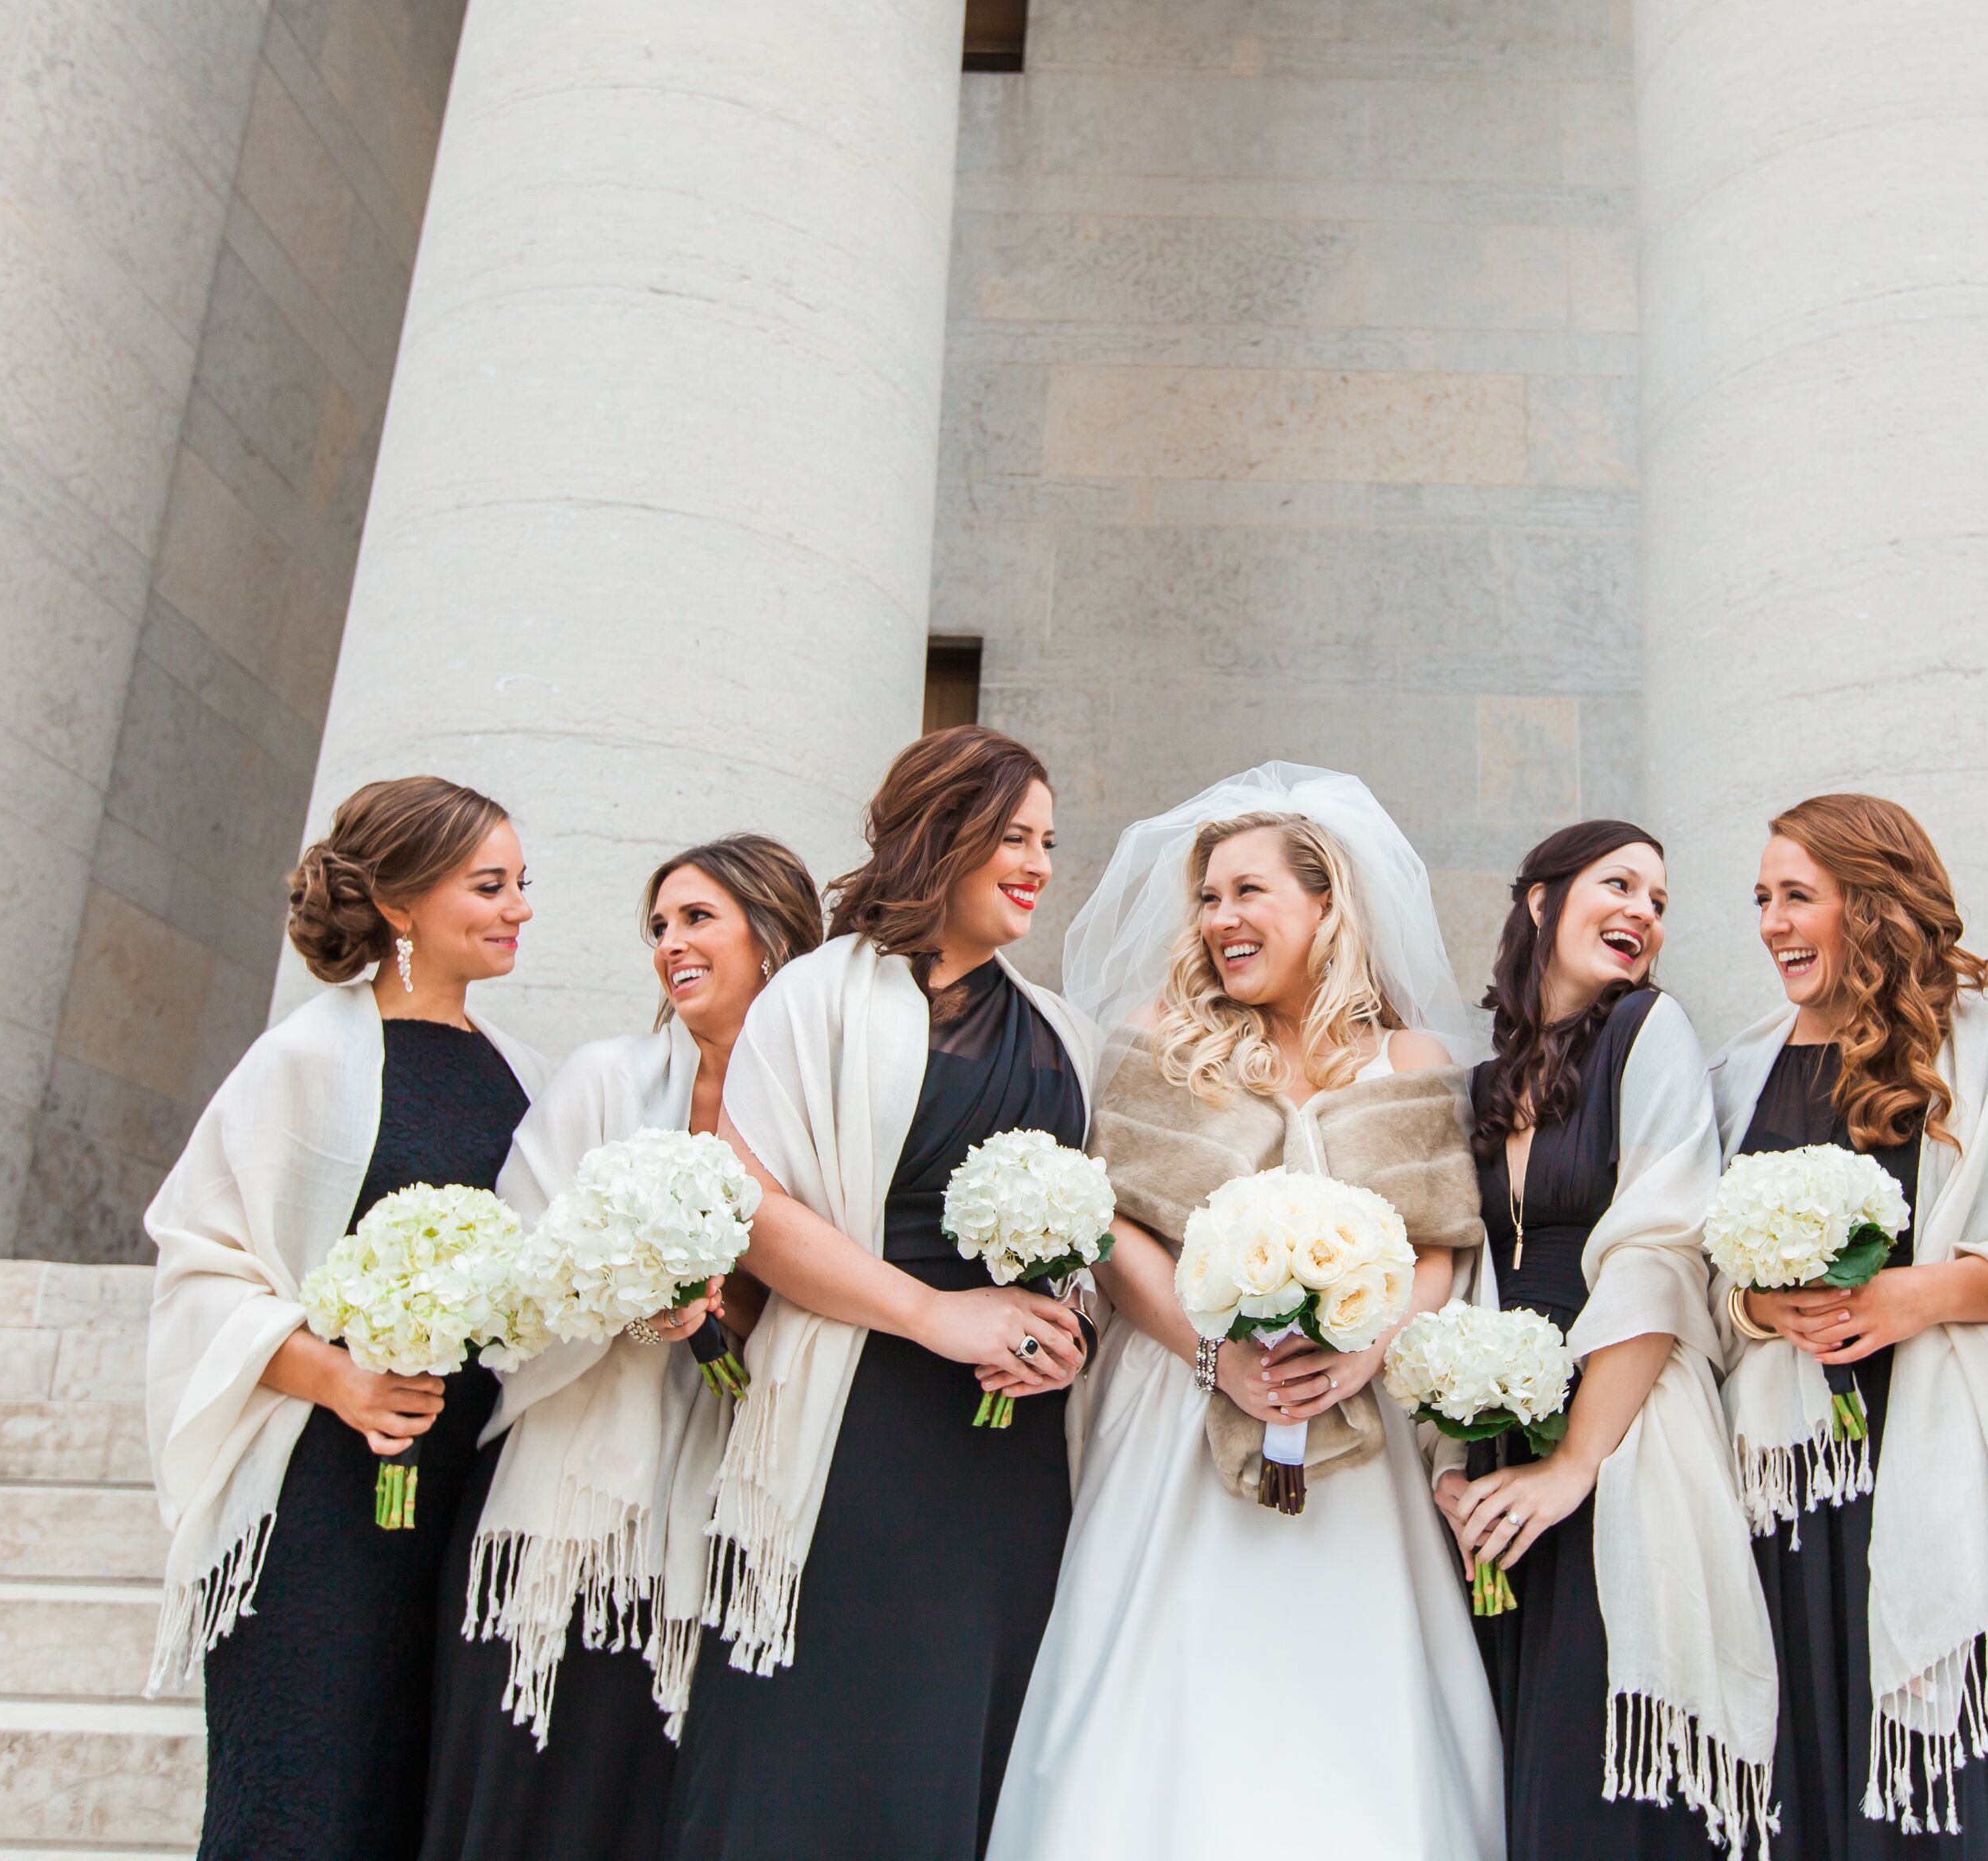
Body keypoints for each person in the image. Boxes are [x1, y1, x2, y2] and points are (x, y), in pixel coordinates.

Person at [986, 764, 1504, 1861]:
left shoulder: (1406, 1059)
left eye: (1249, 892)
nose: (1221, 919)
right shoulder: (1161, 1036)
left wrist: (1367, 1355)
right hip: (1183, 1404)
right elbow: (1114, 1229)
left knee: (1345, 1702)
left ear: (1327, 905)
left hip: (1354, 1432)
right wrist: (1215, 1357)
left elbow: (1441, 1244)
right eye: (1209, 897)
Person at [665, 728, 1100, 1861]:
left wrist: (1070, 1333)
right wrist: (934, 1314)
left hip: (1009, 1450)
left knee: (967, 1738)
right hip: (858, 1420)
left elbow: (1101, 1237)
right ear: (939, 831)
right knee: (818, 1732)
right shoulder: (818, 997)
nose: (1038, 864)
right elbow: (749, 1207)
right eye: (1013, 836)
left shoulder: (1065, 1033)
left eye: (1049, 842)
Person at [1712, 793, 1988, 1856]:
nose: (1774, 923)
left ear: (1869, 903)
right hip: (1800, 1478)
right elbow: (1704, 1265)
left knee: (1981, 1769)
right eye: (1762, 900)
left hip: (1959, 1446)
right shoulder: (1740, 1067)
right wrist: (1754, 1302)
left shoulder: (1987, 1046)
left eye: (1798, 897)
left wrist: (1914, 1296)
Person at [147, 777, 545, 1861]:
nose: (518, 908)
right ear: (405, 904)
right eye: (490, 885)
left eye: (521, 886)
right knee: (303, 1802)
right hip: (320, 1507)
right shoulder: (305, 1062)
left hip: (467, 1502)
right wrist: (341, 1380)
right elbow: (200, 1266)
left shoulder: (525, 1078)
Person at [421, 835, 825, 1861]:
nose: (669, 945)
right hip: (570, 1503)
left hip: (724, 1499)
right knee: (527, 1780)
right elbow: (509, 1279)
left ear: (774, 932)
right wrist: (628, 1298)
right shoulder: (606, 1079)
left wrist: (733, 1317)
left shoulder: (826, 1115)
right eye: (658, 926)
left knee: (649, 1796)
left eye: (697, 919)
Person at [1443, 820, 1777, 1857]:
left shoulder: (1652, 1031)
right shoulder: (1485, 1075)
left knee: (1601, 1739)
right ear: (1540, 900)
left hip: (1619, 1414)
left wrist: (1578, 1462)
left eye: (1661, 902)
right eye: (1619, 883)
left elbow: (1666, 1244)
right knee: (1506, 1740)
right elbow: (1458, 1268)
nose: (1643, 912)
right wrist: (1453, 1457)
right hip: (1497, 1421)